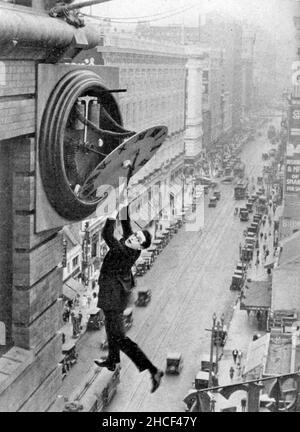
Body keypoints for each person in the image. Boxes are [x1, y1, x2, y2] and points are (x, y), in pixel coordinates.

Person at [94, 202, 164, 393]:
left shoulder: (124, 250)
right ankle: (112, 359)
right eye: (135, 234)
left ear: (140, 246)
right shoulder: (131, 243)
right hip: (116, 289)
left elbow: (107, 235)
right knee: (111, 328)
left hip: (114, 293)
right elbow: (126, 225)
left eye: (137, 238)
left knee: (120, 338)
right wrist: (123, 203)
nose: (133, 236)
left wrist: (112, 212)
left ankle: (153, 370)